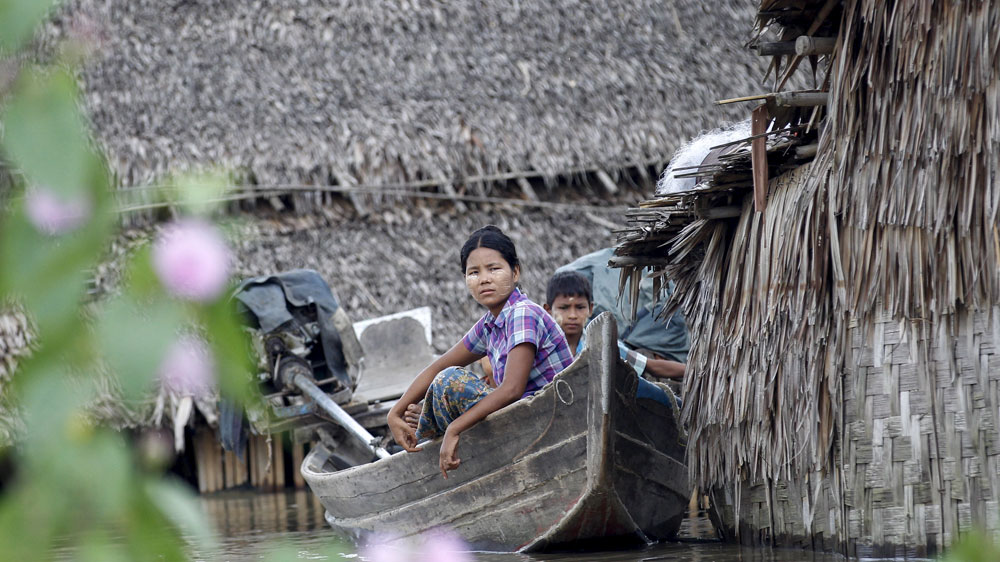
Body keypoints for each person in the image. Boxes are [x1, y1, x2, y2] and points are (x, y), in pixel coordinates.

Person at [387, 225, 574, 478]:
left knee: (450, 382)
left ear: (515, 272)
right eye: (474, 272)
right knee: (443, 381)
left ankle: (429, 436)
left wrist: (454, 428)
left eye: (494, 269)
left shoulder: (522, 313)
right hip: (528, 419)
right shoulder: (490, 324)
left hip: (552, 421)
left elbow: (512, 389)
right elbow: (438, 365)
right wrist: (395, 412)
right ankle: (427, 434)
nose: (484, 279)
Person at [543, 270, 685, 380]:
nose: (573, 315)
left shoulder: (602, 344)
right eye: (564, 308)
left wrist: (693, 371)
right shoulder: (542, 348)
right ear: (548, 310)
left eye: (580, 307)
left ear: (590, 309)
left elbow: (651, 366)